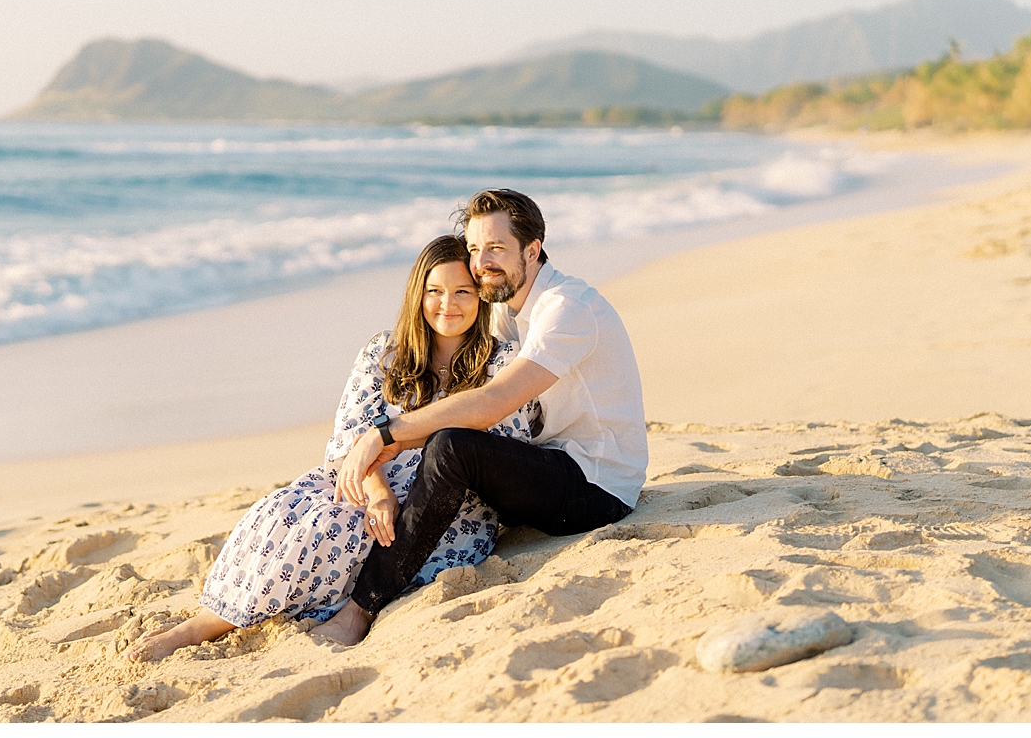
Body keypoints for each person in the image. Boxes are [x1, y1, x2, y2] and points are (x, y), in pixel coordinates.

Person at [126, 234, 537, 661]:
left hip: (448, 502)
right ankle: (220, 613)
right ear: (418, 294)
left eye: (462, 292)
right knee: (279, 511)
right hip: (366, 478)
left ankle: (203, 630)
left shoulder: (501, 361)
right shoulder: (386, 351)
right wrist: (378, 493)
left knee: (335, 531)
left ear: (480, 298)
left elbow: (498, 446)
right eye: (434, 291)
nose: (446, 304)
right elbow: (350, 433)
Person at [313, 188, 649, 647]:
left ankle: (360, 608)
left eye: (496, 248)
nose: (481, 261)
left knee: (452, 446)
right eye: (474, 248)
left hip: (596, 484)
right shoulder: (506, 310)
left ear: (532, 250)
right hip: (548, 464)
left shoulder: (567, 309)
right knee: (439, 450)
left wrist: (385, 434)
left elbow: (495, 401)